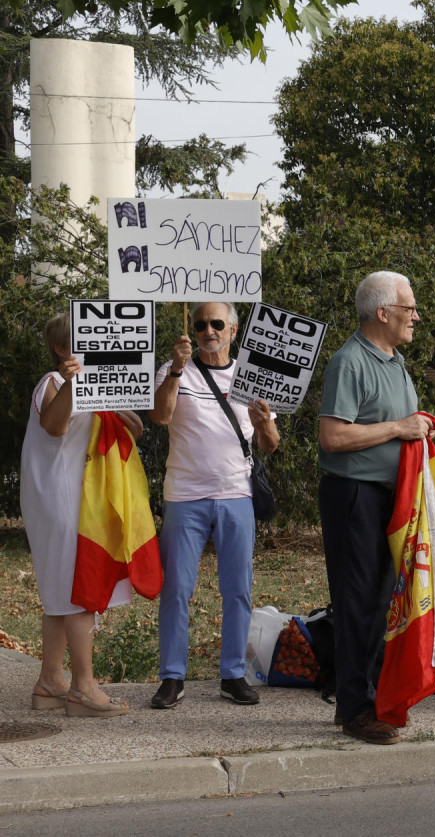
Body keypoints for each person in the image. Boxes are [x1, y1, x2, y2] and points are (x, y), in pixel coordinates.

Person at [317, 271, 435, 745]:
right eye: (409, 308)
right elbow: (332, 436)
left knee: (385, 602)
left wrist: (416, 429)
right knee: (358, 603)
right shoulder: (349, 362)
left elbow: (400, 425)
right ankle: (354, 709)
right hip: (355, 498)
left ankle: (373, 697)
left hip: (392, 499)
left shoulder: (395, 360)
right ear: (383, 312)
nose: (416, 316)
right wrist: (398, 429)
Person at [150, 302, 280, 711]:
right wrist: (174, 368)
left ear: (233, 329)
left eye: (216, 324)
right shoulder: (176, 369)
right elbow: (159, 416)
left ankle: (232, 676)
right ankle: (172, 677)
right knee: (176, 590)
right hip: (184, 496)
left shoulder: (249, 376)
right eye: (201, 323)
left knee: (237, 590)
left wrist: (265, 426)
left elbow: (269, 444)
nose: (208, 330)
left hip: (236, 496)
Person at [20, 314, 144, 717]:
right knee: (78, 592)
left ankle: (50, 682)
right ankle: (83, 688)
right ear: (61, 348)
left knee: (59, 593)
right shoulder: (53, 383)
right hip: (62, 502)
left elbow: (120, 433)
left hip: (80, 501)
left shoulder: (100, 388)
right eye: (83, 342)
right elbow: (54, 426)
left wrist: (131, 425)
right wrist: (75, 381)